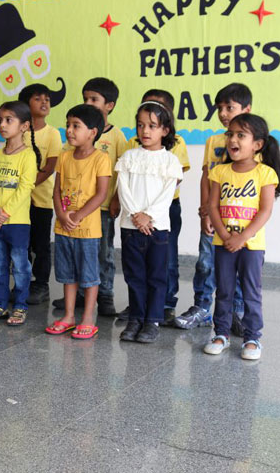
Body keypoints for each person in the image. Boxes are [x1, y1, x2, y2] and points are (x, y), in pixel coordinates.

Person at [174, 83, 251, 331]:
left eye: (230, 107)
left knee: (239, 267)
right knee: (206, 263)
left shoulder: (254, 144)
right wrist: (205, 212)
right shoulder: (213, 141)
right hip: (214, 217)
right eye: (220, 108)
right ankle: (202, 308)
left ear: (247, 109)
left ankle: (236, 312)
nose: (223, 113)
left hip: (242, 219)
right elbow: (206, 177)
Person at [204, 113, 280, 360]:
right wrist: (225, 234)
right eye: (230, 134)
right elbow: (212, 206)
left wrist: (242, 237)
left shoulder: (266, 173)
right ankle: (221, 334)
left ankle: (252, 338)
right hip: (223, 243)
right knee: (224, 290)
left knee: (250, 291)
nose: (232, 139)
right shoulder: (220, 171)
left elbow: (265, 210)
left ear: (257, 144)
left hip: (251, 246)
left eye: (240, 135)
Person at [53, 77, 126, 315]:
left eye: (94, 99)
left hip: (99, 210)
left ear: (109, 105)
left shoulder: (116, 137)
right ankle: (78, 298)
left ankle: (105, 295)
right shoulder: (67, 151)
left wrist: (115, 199)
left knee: (102, 253)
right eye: (86, 98)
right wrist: (63, 213)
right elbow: (59, 185)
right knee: (75, 256)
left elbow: (121, 172)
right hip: (69, 216)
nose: (89, 103)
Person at [117, 89, 190, 325]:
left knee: (157, 276)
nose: (145, 131)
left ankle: (153, 321)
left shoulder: (170, 160)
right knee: (134, 275)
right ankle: (136, 318)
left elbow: (167, 194)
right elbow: (123, 188)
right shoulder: (128, 156)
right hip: (130, 226)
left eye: (152, 126)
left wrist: (148, 216)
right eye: (140, 125)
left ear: (165, 130)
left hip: (157, 227)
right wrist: (135, 215)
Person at [45, 104, 111, 339]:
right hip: (64, 227)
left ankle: (88, 318)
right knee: (68, 274)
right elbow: (57, 190)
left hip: (87, 231)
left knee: (89, 275)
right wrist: (62, 215)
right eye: (68, 125)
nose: (69, 130)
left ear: (92, 132)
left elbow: (101, 194)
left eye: (76, 126)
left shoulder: (101, 158)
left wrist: (79, 215)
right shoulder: (64, 157)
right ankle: (69, 316)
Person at [0, 101, 39, 326]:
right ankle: (0, 305)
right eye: (0, 120)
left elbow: (25, 187)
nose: (2, 125)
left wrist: (4, 212)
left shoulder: (28, 156)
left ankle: (20, 306)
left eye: (8, 120)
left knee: (20, 266)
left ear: (24, 126)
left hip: (17, 222)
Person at [18, 84, 62, 304]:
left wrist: (27, 185)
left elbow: (50, 166)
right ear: (26, 104)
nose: (44, 102)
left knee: (41, 245)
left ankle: (41, 284)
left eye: (47, 99)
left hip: (42, 200)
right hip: (18, 201)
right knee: (21, 244)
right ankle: (22, 282)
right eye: (38, 99)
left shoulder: (52, 133)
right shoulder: (19, 131)